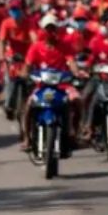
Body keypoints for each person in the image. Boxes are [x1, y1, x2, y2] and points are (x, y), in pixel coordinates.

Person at [19, 14, 86, 152]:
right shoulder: (35, 47)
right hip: (41, 87)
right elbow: (27, 65)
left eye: (53, 29)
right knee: (28, 106)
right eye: (47, 29)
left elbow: (72, 62)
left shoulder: (64, 46)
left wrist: (77, 72)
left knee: (78, 100)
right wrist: (25, 74)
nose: (50, 32)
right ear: (42, 30)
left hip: (62, 86)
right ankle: (27, 138)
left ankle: (74, 132)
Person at [0, 0, 35, 120]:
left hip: (27, 59)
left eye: (16, 9)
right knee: (10, 82)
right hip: (12, 58)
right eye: (12, 9)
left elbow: (34, 38)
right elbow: (2, 41)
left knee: (31, 82)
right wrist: (1, 55)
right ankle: (9, 105)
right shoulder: (6, 23)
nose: (14, 12)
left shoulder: (29, 22)